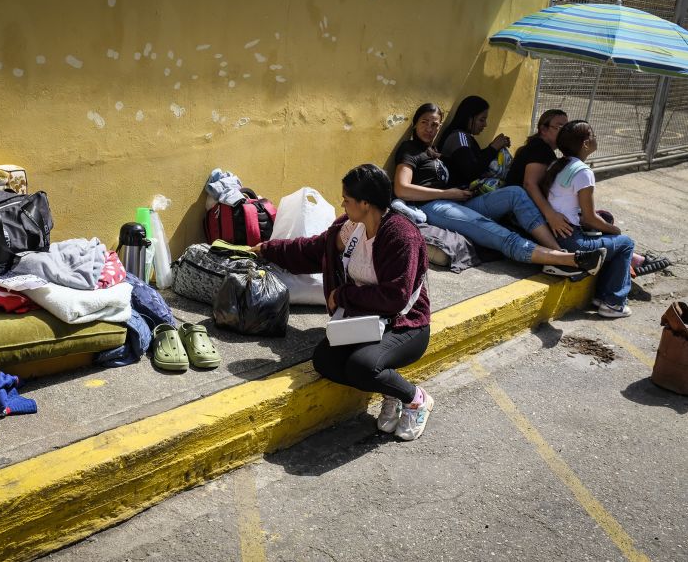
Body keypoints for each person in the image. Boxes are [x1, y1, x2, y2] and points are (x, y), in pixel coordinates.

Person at [252, 164, 435, 441]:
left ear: (365, 203)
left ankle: (415, 399)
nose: (342, 203)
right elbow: (313, 249)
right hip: (364, 322)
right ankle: (391, 391)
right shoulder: (351, 228)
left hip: (404, 325)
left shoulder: (401, 236)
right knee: (325, 361)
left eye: (347, 199)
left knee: (363, 366)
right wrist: (267, 249)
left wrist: (344, 295)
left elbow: (396, 297)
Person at [394, 102, 606, 276]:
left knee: (516, 193)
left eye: (435, 125)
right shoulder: (409, 149)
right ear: (414, 125)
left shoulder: (432, 151)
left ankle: (558, 250)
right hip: (433, 207)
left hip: (458, 199)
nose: (430, 129)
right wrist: (448, 193)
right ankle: (564, 259)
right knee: (495, 231)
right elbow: (402, 189)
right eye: (424, 123)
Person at [542, 120, 635, 318]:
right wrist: (615, 231)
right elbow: (589, 219)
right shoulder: (583, 172)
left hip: (552, 234)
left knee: (607, 225)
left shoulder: (557, 164)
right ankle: (613, 302)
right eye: (592, 134)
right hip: (571, 241)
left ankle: (602, 296)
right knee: (625, 243)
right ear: (585, 144)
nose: (595, 138)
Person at [504, 109, 572, 238]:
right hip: (518, 214)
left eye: (567, 128)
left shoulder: (539, 146)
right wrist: (550, 215)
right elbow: (530, 184)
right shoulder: (540, 149)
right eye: (560, 127)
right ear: (544, 129)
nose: (564, 133)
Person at [436, 95, 512, 188]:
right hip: (457, 195)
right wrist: (493, 148)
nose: (485, 124)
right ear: (469, 118)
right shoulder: (459, 137)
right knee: (515, 193)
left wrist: (495, 146)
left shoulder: (465, 137)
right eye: (481, 120)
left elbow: (474, 159)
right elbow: (472, 172)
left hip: (464, 195)